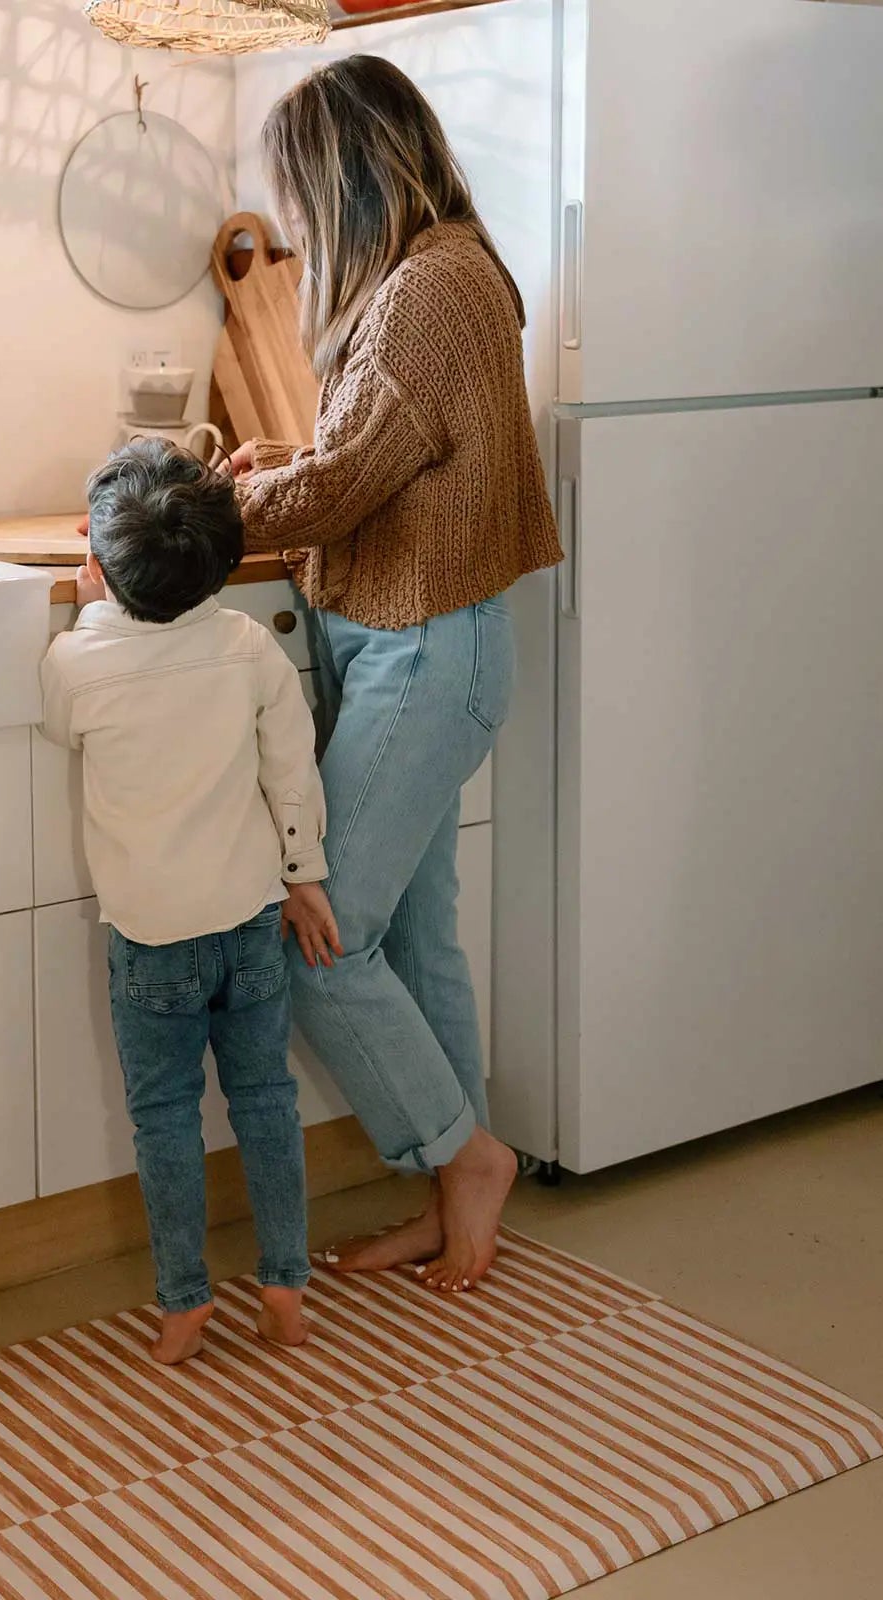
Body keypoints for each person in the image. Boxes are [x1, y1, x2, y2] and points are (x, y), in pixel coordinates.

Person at [232, 55, 564, 1293]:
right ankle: (454, 1184)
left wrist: (217, 509)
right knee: (413, 937)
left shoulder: (435, 287)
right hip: (407, 640)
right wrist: (284, 465)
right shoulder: (432, 277)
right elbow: (373, 451)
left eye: (302, 200)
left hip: (426, 652)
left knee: (312, 933)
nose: (300, 227)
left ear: (345, 177)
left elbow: (345, 479)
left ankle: (464, 1156)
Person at [39, 437, 340, 1364]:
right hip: (252, 917)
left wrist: (94, 614)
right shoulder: (249, 647)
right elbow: (292, 772)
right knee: (264, 1099)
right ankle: (285, 1287)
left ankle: (184, 1305)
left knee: (166, 1115)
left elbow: (60, 727)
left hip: (152, 937)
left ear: (98, 564)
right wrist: (304, 876)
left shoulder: (74, 663)